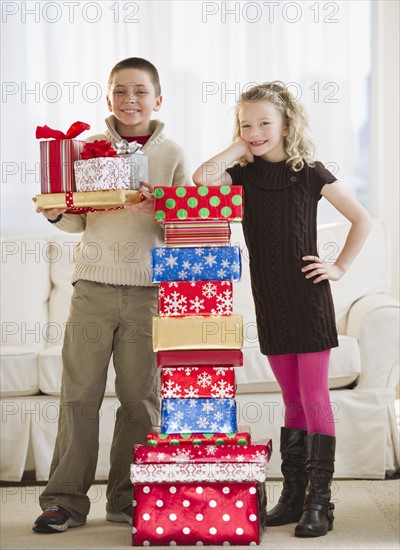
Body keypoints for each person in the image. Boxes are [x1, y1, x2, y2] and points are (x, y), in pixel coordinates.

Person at [193, 81, 372, 538]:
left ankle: (320, 501)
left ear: (286, 125)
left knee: (314, 399)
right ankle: (292, 497)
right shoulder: (244, 176)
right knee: (291, 401)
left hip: (308, 300)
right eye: (245, 124)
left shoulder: (309, 171)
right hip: (269, 301)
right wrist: (238, 147)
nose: (255, 132)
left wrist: (339, 266)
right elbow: (202, 179)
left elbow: (362, 218)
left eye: (264, 123)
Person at [32, 57, 191, 533]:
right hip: (94, 287)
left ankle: (127, 498)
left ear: (157, 99)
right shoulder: (87, 149)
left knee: (141, 400)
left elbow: (185, 224)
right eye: (120, 91)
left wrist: (159, 204)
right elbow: (78, 219)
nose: (129, 100)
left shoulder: (173, 154)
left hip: (148, 290)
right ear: (108, 97)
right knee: (79, 394)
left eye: (140, 92)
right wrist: (55, 210)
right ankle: (63, 501)